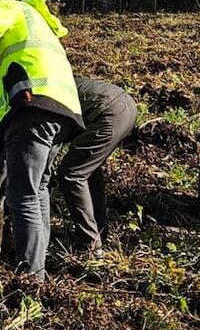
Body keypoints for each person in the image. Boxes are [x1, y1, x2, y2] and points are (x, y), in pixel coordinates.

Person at [0, 0, 84, 281]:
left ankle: (29, 277)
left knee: (22, 194)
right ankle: (38, 269)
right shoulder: (35, 20)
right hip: (60, 111)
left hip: (31, 106)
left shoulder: (5, 6)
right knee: (38, 188)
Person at [55, 77, 139, 254]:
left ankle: (89, 245)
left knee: (71, 174)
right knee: (88, 170)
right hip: (123, 104)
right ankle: (99, 231)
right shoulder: (51, 86)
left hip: (110, 112)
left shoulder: (37, 104)